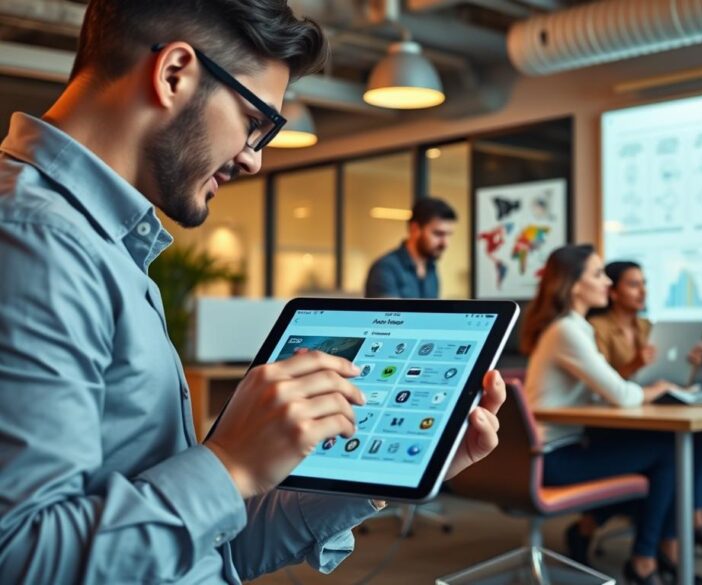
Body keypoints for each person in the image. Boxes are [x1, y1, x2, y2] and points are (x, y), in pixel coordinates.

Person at [0, 2, 505, 583]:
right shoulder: (36, 241)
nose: (253, 158)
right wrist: (230, 462)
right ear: (174, 75)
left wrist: (398, 470)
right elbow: (25, 560)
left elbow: (210, 547)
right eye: (256, 120)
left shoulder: (105, 246)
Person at [521, 244, 702, 585]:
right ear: (573, 284)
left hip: (559, 450)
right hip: (552, 457)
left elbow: (600, 391)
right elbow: (620, 395)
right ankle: (645, 562)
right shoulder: (567, 330)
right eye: (597, 274)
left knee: (667, 449)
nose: (607, 282)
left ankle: (645, 554)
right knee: (668, 453)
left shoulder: (572, 328)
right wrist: (652, 390)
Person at [586, 261, 702, 559]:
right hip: (613, 424)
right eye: (633, 284)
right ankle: (681, 534)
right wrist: (634, 365)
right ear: (613, 292)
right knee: (678, 448)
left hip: (648, 412)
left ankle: (688, 527)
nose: (643, 291)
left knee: (696, 423)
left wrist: (688, 367)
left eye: (644, 282)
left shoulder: (647, 327)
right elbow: (603, 388)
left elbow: (664, 379)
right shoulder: (595, 329)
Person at [365, 196, 456, 298]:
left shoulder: (431, 268)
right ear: (415, 229)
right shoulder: (385, 269)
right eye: (438, 234)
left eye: (449, 235)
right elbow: (387, 313)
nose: (445, 243)